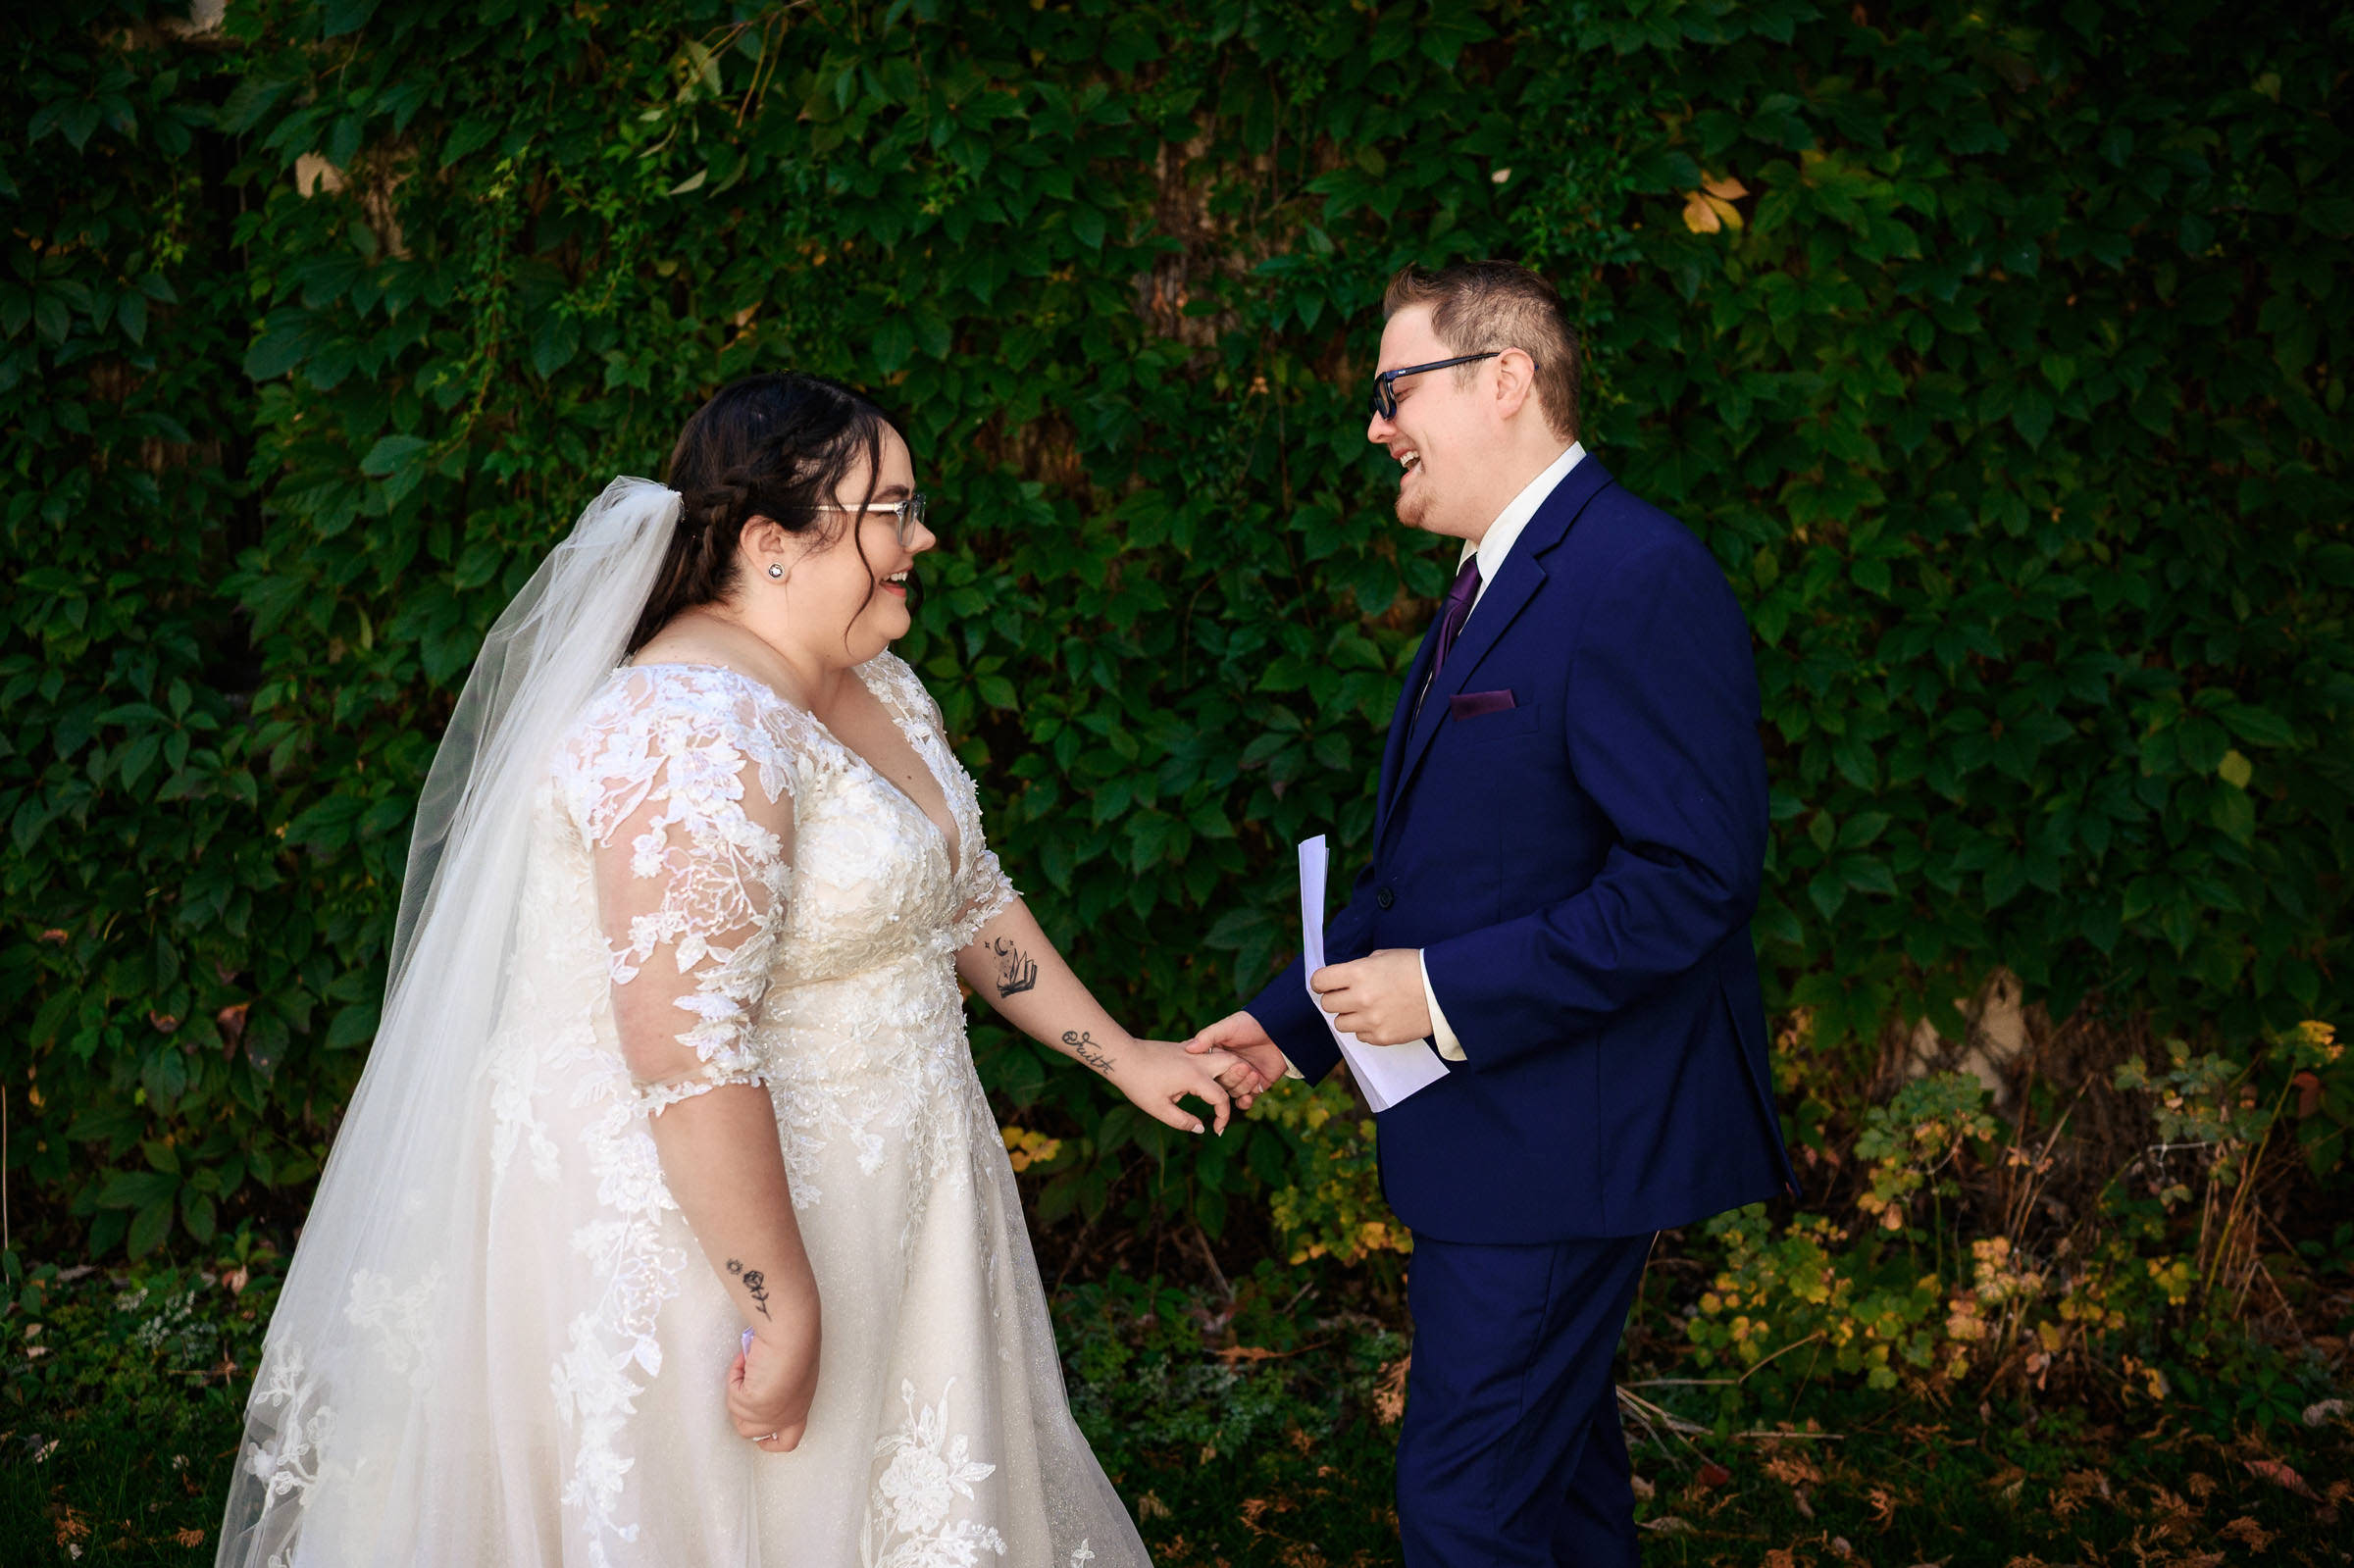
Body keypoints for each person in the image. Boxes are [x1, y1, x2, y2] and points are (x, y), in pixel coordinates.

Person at [219, 373, 1243, 1565]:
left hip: (892, 1208)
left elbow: (961, 895)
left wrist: (1122, 1056)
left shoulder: (872, 684)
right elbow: (686, 1052)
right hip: (706, 1252)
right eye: (891, 511)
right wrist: (784, 1309)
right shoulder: (691, 731)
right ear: (771, 541)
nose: (924, 538)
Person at [1191, 262, 1797, 1566]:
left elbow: (1693, 875)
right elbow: (1457, 877)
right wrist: (1284, 1025)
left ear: (1506, 379)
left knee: (1467, 1509)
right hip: (1506, 1141)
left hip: (1559, 1141)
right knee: (1557, 1501)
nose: (1374, 423)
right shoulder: (1493, 584)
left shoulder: (1633, 571)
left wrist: (1445, 995)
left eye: (1393, 386)